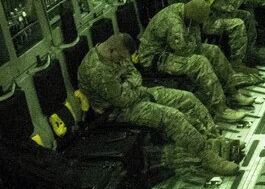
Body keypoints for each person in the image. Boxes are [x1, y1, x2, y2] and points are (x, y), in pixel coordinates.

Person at [78, 33, 240, 176]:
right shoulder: (96, 70)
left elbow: (134, 74)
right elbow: (122, 100)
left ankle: (216, 141)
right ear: (111, 50)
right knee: (172, 117)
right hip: (117, 112)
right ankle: (209, 158)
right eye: (120, 58)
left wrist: (129, 85)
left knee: (187, 98)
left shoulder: (117, 52)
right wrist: (132, 86)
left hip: (137, 94)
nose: (123, 61)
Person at [136, 0, 251, 123]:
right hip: (155, 58)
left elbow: (195, 41)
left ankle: (232, 92)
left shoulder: (185, 12)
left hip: (171, 50)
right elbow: (183, 50)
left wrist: (196, 46)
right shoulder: (173, 22)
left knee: (213, 51)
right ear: (192, 18)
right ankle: (220, 109)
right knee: (199, 62)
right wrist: (196, 49)